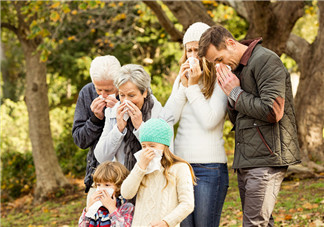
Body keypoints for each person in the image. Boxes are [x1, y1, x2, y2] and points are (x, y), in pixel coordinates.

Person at [198, 25, 301, 226]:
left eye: (219, 59)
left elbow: (273, 111)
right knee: (262, 222)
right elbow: (239, 119)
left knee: (254, 223)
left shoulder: (266, 60)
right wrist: (230, 93)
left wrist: (235, 93)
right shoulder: (237, 70)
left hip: (267, 158)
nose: (219, 65)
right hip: (247, 159)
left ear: (229, 43)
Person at [164, 22, 229, 227]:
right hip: (181, 166)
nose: (193, 55)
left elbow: (210, 120)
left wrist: (192, 87)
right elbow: (168, 118)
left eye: (197, 50)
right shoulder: (182, 80)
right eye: (189, 50)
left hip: (210, 167)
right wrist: (184, 86)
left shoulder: (221, 76)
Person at [94, 64, 173, 171]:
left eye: (131, 96)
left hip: (151, 181)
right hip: (123, 181)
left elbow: (166, 158)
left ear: (144, 92)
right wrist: (118, 129)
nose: (126, 101)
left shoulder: (163, 115)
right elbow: (101, 157)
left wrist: (140, 127)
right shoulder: (113, 113)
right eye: (122, 95)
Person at [121, 118, 195, 227]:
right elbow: (126, 193)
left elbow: (187, 204)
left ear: (164, 145)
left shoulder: (180, 168)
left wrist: (166, 222)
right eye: (144, 146)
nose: (147, 150)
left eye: (152, 146)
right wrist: (140, 167)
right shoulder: (142, 167)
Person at [72, 55, 121, 205]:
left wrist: (119, 110)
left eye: (108, 90)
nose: (103, 95)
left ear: (119, 82)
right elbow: (80, 140)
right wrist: (95, 120)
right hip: (99, 177)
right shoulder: (87, 93)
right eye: (99, 89)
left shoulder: (134, 90)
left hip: (128, 175)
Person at [78, 161, 134, 227]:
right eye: (98, 184)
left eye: (107, 185)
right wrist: (88, 210)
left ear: (119, 186)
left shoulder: (126, 208)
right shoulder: (97, 208)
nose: (101, 189)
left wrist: (112, 209)